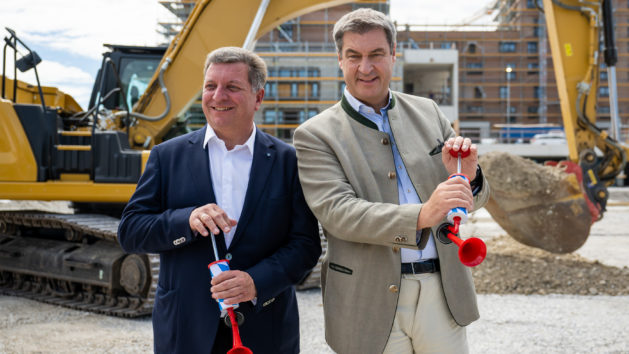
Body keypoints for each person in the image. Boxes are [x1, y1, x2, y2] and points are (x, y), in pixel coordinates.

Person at [293, 8, 490, 354]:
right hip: (366, 300)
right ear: (340, 59)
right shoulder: (314, 135)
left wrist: (468, 176)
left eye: (376, 55)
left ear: (394, 56)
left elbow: (474, 196)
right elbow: (339, 214)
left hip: (443, 293)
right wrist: (422, 216)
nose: (365, 67)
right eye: (353, 56)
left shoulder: (429, 112)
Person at [118, 47, 321, 354]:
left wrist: (256, 282)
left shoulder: (287, 161)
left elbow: (305, 246)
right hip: (186, 331)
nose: (218, 96)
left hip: (265, 330)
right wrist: (185, 220)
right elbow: (130, 231)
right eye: (211, 86)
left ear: (258, 98)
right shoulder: (167, 156)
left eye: (232, 87)